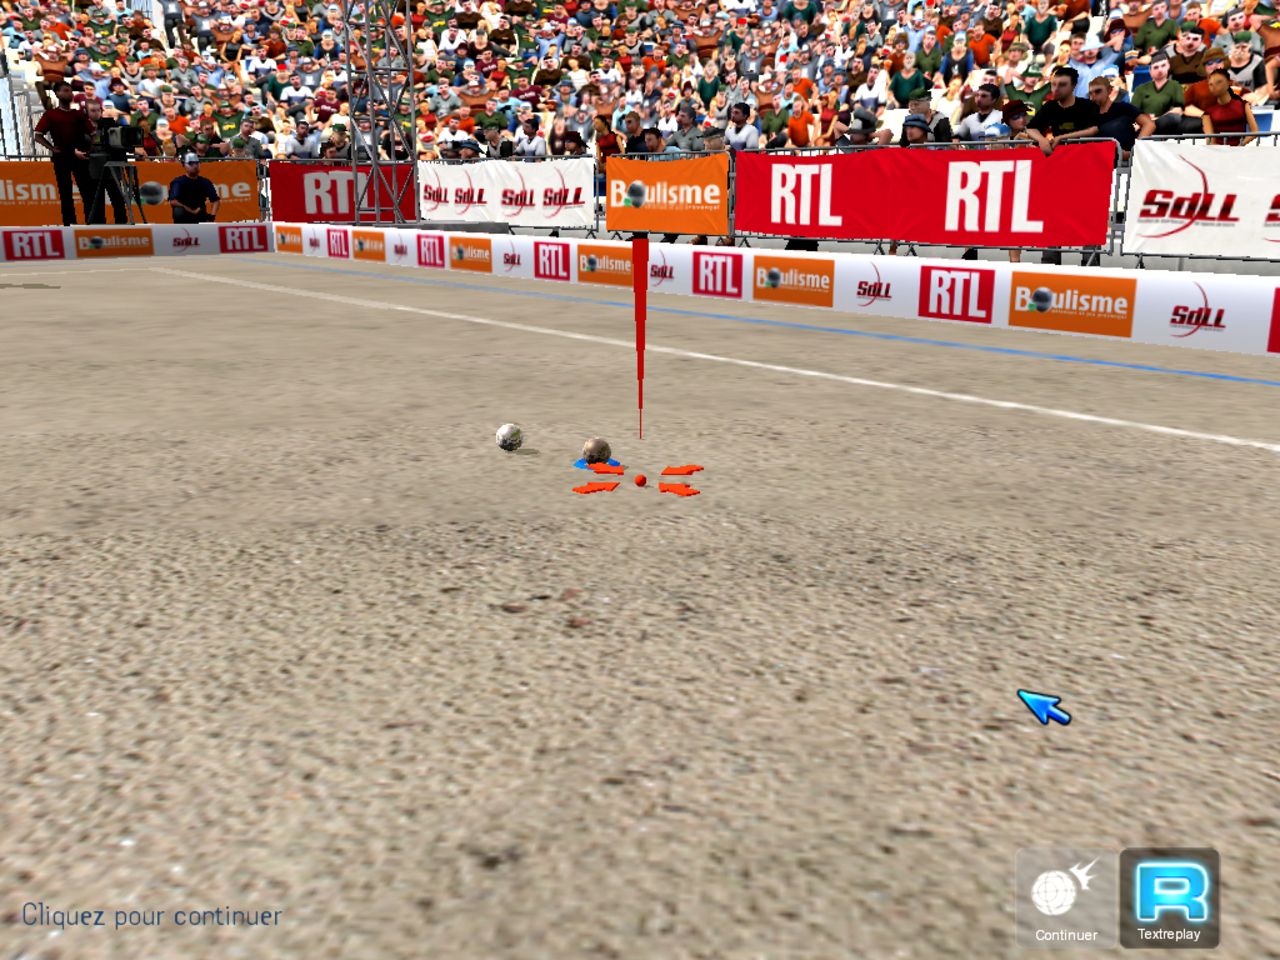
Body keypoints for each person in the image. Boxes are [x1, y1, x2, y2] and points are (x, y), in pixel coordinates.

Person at [33, 81, 94, 226]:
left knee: (87, 191)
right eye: (66, 90)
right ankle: (69, 224)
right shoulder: (51, 114)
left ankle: (91, 222)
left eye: (71, 91)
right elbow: (38, 135)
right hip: (61, 157)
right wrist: (51, 148)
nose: (70, 93)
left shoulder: (79, 114)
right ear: (57, 94)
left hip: (80, 156)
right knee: (65, 193)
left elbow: (93, 134)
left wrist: (90, 150)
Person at [83, 98, 129, 225]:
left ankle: (122, 225)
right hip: (93, 170)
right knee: (96, 200)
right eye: (93, 111)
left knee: (118, 199)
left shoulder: (111, 125)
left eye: (98, 110)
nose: (96, 113)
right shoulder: (82, 128)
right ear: (86, 112)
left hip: (112, 168)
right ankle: (98, 225)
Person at [1202, 69, 1259, 144]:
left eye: (1219, 82)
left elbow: (1254, 131)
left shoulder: (1243, 105)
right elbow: (1210, 141)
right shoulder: (1208, 112)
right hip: (1218, 150)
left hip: (1240, 150)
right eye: (1211, 84)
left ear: (1228, 83)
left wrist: (1240, 146)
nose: (1214, 86)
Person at [169, 152, 220, 223]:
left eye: (197, 163)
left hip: (201, 218)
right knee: (178, 211)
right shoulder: (178, 182)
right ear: (184, 165)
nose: (195, 166)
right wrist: (192, 211)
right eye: (191, 163)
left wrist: (212, 217)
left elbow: (215, 200)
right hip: (183, 220)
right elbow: (173, 201)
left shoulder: (205, 182)